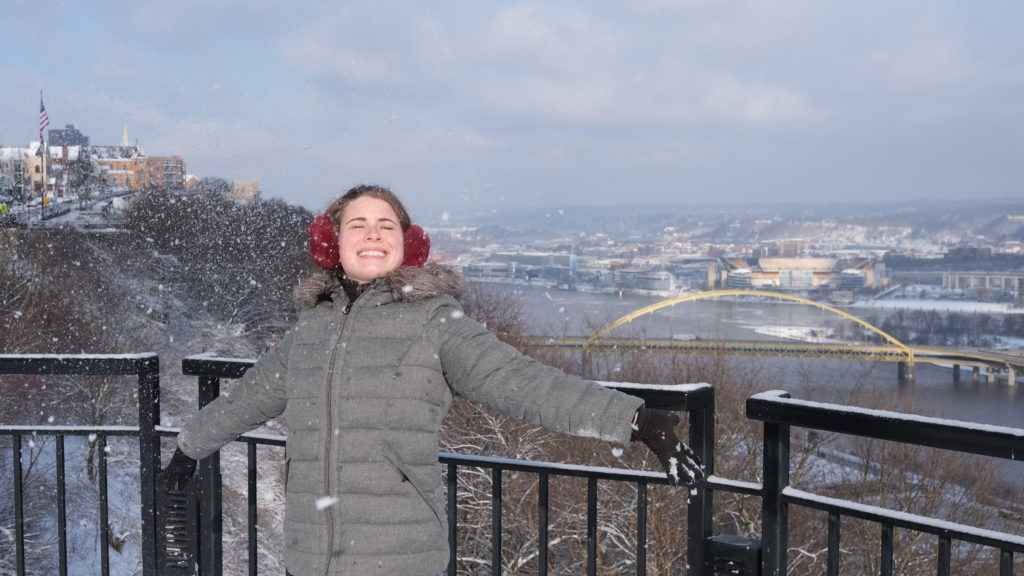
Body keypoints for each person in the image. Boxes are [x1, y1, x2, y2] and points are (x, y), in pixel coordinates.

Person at [160, 184, 703, 576]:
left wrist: (635, 418)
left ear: (406, 243)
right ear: (334, 244)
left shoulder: (435, 320)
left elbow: (519, 382)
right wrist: (188, 448)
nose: (372, 234)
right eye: (357, 224)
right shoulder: (313, 328)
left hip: (399, 555)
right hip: (308, 553)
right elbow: (249, 396)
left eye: (385, 225)